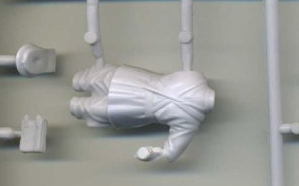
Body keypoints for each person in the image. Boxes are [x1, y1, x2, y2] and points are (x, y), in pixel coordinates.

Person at [70, 62, 215, 162]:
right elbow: (171, 152)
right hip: (136, 82)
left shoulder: (190, 121)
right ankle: (80, 86)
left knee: (90, 108)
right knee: (92, 80)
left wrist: (153, 153)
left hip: (135, 109)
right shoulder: (194, 80)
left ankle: (78, 105)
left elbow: (171, 152)